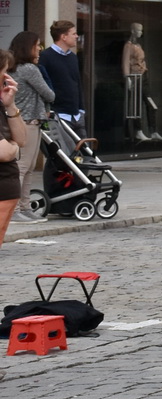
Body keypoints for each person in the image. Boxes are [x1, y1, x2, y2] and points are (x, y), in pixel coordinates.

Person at [7, 32, 52, 222]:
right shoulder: (30, 69)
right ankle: (17, 208)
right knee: (25, 167)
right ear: (28, 47)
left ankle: (23, 207)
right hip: (29, 122)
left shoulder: (12, 68)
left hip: (17, 120)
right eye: (37, 45)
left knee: (26, 167)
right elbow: (49, 94)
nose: (40, 49)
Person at [0, 54, 30, 245]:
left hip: (6, 185)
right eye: (4, 71)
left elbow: (21, 140)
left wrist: (10, 105)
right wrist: (13, 147)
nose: (6, 77)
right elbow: (3, 153)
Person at [39, 20, 83, 136]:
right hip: (58, 115)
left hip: (77, 116)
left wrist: (81, 109)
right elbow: (42, 85)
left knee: (86, 151)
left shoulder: (73, 57)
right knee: (65, 153)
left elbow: (77, 83)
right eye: (73, 34)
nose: (77, 36)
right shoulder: (45, 57)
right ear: (63, 36)